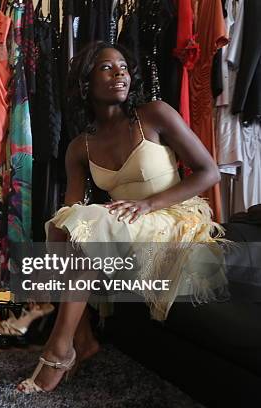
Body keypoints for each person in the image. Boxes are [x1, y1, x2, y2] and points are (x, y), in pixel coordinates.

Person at [17, 41, 227, 394]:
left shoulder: (154, 114)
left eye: (123, 68)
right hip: (126, 224)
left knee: (89, 223)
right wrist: (49, 269)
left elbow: (209, 172)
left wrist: (149, 204)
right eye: (106, 68)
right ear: (86, 82)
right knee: (61, 223)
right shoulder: (79, 147)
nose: (119, 74)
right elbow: (69, 216)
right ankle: (79, 341)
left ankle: (59, 349)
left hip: (174, 218)